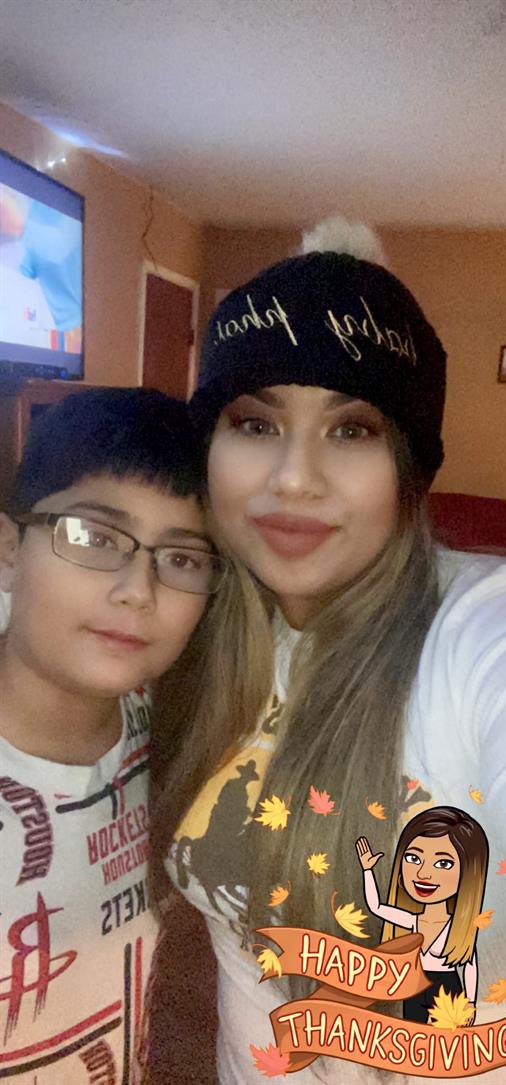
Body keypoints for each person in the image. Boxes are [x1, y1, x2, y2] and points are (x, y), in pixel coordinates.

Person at [152, 218, 506, 1084]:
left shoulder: (494, 629)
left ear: (407, 467)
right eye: (254, 423)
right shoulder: (175, 619)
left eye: (352, 428)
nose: (294, 475)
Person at [0, 388, 228, 1084]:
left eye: (182, 558)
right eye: (93, 537)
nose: (138, 588)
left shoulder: (168, 735)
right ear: (9, 550)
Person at [356, 806, 489, 1024]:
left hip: (448, 986)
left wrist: (471, 1003)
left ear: (468, 872)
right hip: (415, 986)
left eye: (443, 863)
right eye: (414, 858)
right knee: (415, 1042)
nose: (424, 874)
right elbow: (376, 907)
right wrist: (367, 871)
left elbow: (470, 965)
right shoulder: (412, 920)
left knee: (445, 1047)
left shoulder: (460, 926)